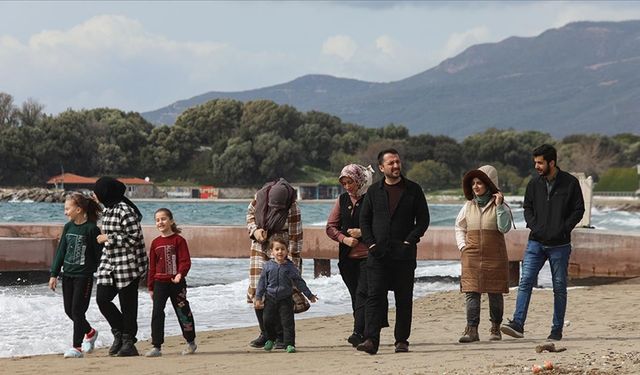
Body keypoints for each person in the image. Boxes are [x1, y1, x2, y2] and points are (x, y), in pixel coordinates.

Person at [501, 144, 585, 341]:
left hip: (560, 245)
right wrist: (535, 227)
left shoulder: (570, 183)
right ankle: (518, 324)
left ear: (552, 162)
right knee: (525, 281)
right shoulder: (533, 184)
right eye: (535, 163)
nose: (537, 166)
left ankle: (556, 330)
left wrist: (564, 228)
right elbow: (527, 209)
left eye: (540, 163)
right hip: (536, 243)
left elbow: (578, 210)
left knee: (559, 287)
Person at [357, 148, 430, 354]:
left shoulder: (413, 190)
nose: (396, 166)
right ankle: (371, 340)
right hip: (377, 254)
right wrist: (370, 244)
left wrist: (409, 242)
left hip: (404, 255)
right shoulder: (373, 191)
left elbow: (423, 220)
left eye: (397, 162)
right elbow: (364, 220)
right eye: (391, 163)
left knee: (404, 299)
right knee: (374, 297)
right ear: (381, 168)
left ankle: (401, 340)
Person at [455, 165, 513, 343]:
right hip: (471, 255)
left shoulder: (501, 205)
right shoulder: (468, 205)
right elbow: (459, 227)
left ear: (489, 184)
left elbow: (504, 228)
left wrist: (500, 206)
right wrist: (463, 246)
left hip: (494, 255)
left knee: (495, 292)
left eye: (479, 183)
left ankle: (496, 328)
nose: (475, 187)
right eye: (473, 183)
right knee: (471, 292)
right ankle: (471, 330)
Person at [93, 176, 149, 357]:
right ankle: (119, 332)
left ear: (106, 192)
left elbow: (134, 238)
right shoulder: (108, 209)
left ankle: (128, 342)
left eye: (97, 191)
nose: (94, 194)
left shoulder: (125, 210)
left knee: (128, 305)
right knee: (102, 299)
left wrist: (108, 238)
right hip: (109, 262)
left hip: (128, 263)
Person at [246, 178, 302, 348]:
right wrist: (255, 231)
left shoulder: (292, 206)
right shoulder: (259, 198)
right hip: (261, 245)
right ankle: (265, 333)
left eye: (279, 208)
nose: (276, 210)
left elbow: (296, 235)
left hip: (282, 247)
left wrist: (292, 261)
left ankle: (282, 336)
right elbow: (249, 217)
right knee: (258, 288)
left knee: (283, 291)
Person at [325, 163, 378, 347]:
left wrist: (362, 233)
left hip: (368, 256)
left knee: (363, 293)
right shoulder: (342, 200)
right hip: (347, 259)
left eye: (350, 182)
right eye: (344, 183)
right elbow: (330, 227)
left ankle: (357, 332)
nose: (347, 187)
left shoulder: (372, 198)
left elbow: (381, 226)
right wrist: (344, 239)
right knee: (355, 295)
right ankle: (364, 331)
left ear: (359, 181)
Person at [49, 192, 103, 358]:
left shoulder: (92, 229)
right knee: (69, 310)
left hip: (84, 277)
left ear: (78, 209)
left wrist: (90, 270)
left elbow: (98, 255)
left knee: (77, 311)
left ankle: (77, 347)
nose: (65, 212)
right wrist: (54, 274)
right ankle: (90, 332)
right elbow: (61, 251)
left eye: (67, 208)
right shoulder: (68, 227)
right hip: (68, 275)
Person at [145, 208, 197, 357]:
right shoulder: (155, 243)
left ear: (171, 221)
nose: (160, 222)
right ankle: (156, 346)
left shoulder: (179, 240)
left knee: (183, 311)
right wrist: (150, 287)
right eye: (157, 220)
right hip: (159, 284)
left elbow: (185, 260)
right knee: (156, 313)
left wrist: (180, 274)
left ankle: (190, 342)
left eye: (163, 219)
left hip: (177, 284)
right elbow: (152, 267)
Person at [255, 236, 317, 353]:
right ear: (271, 251)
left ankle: (289, 344)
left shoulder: (290, 266)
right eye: (277, 249)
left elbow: (299, 282)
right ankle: (270, 339)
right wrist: (258, 297)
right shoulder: (268, 266)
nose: (280, 252)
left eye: (283, 249)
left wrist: (309, 295)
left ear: (287, 251)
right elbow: (262, 283)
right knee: (267, 320)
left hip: (286, 299)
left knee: (287, 322)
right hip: (270, 298)